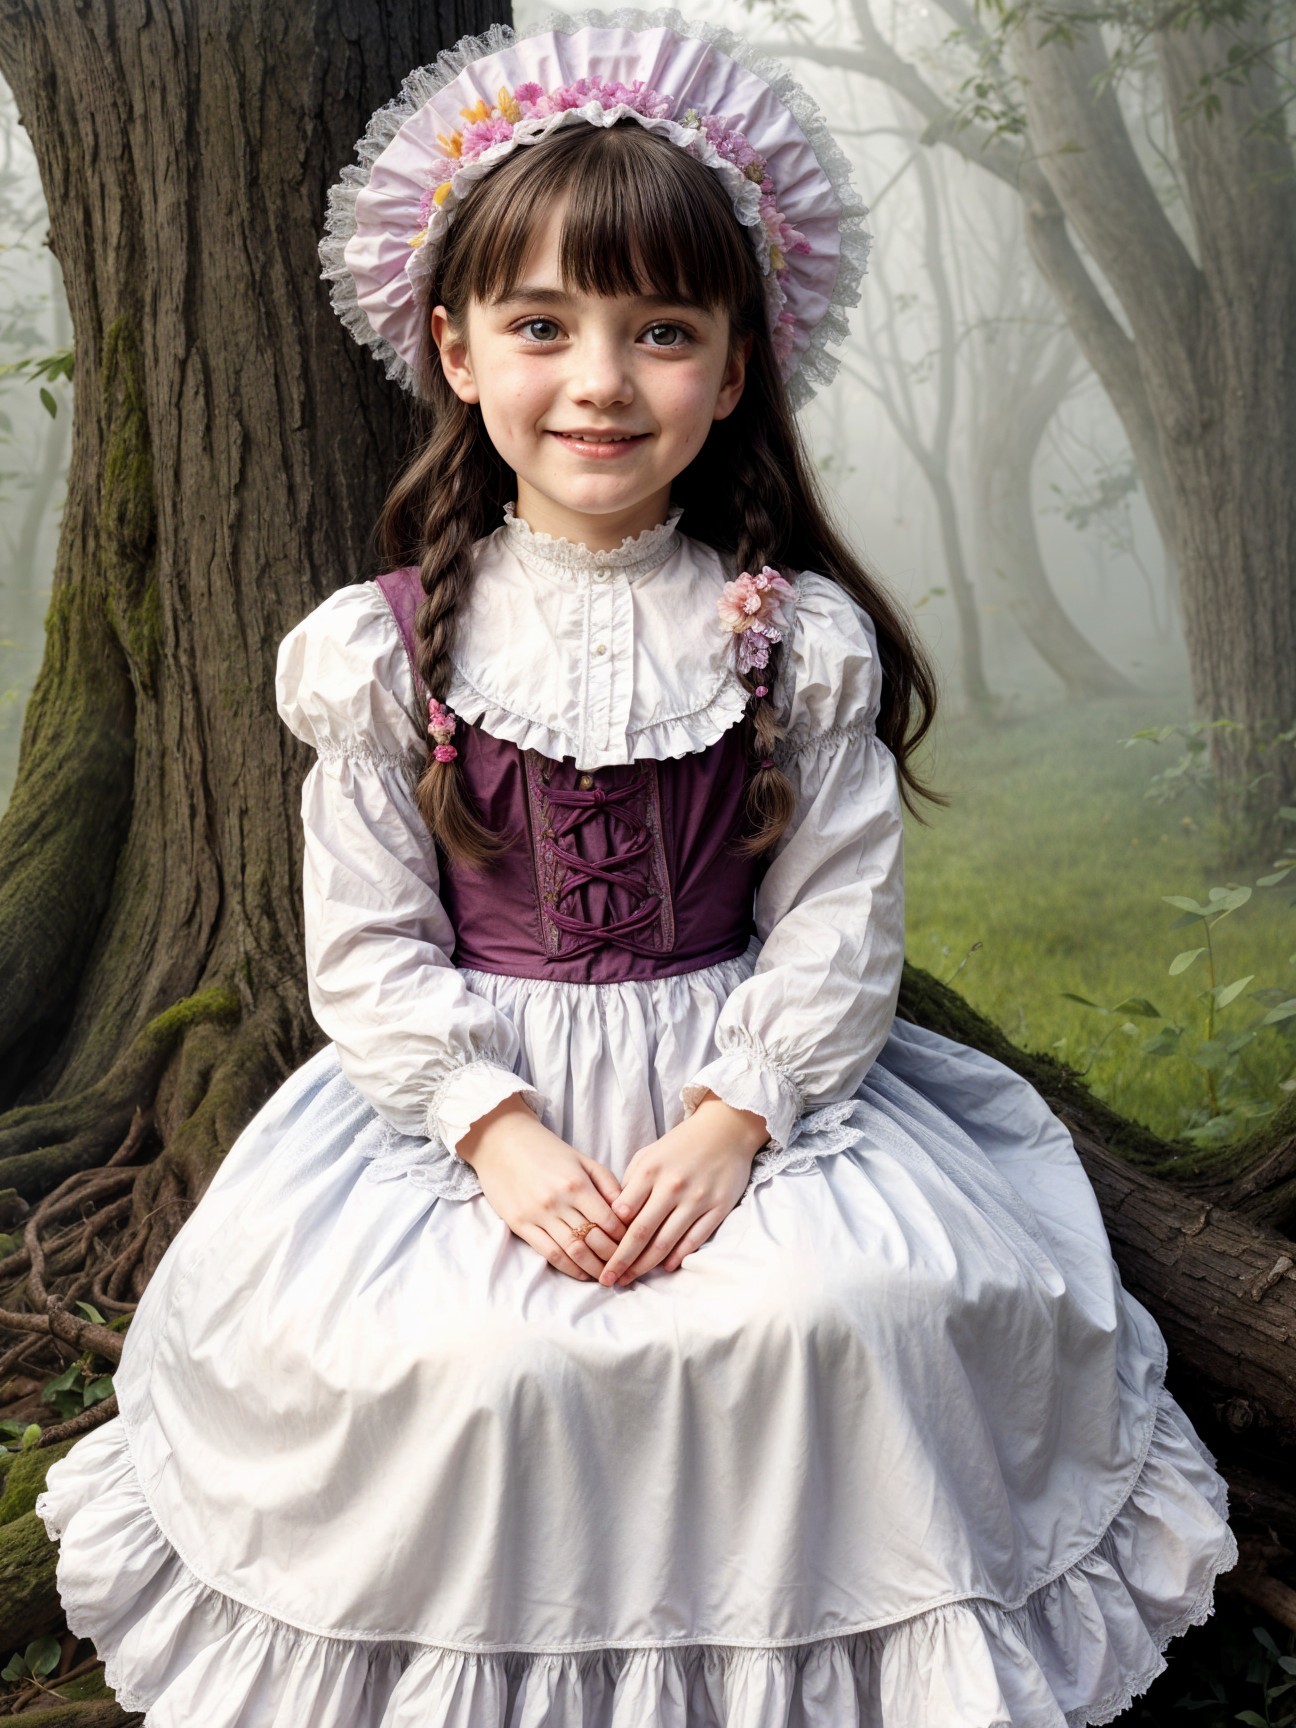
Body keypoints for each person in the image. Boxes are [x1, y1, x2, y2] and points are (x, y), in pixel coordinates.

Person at [36, 7, 1237, 1724]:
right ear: (456, 350)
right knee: (465, 1361)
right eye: (543, 325)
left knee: (842, 1314)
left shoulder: (791, 640)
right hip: (477, 1101)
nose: (600, 380)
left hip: (743, 1084)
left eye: (661, 330)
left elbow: (838, 926)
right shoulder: (380, 651)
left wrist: (738, 1117)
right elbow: (366, 953)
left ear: (733, 370)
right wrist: (498, 1134)